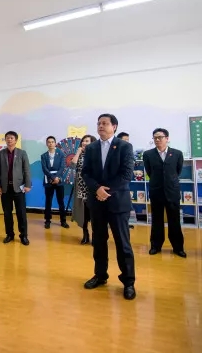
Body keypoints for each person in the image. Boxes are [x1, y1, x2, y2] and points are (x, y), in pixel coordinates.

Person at [81, 114, 136, 300]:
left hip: (117, 202)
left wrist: (106, 191)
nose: (101, 126)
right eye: (99, 123)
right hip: (97, 202)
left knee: (122, 243)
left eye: (105, 123)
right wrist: (97, 189)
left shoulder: (125, 147)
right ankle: (100, 275)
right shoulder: (91, 148)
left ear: (114, 126)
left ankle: (128, 282)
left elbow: (126, 174)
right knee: (98, 241)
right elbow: (86, 173)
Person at [143, 128, 186, 258]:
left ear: (167, 138)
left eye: (160, 137)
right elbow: (149, 172)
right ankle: (155, 246)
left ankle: (178, 247)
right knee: (156, 219)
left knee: (174, 220)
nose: (157, 140)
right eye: (155, 137)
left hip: (172, 191)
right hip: (156, 191)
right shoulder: (148, 154)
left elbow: (177, 171)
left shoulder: (177, 153)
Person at [0, 131, 32, 245]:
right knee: (7, 213)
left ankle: (23, 235)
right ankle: (9, 234)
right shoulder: (0, 154)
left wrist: (28, 184)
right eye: (7, 138)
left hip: (19, 188)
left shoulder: (22, 153)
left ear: (15, 140)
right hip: (5, 189)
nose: (9, 140)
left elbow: (26, 170)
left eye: (11, 138)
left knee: (21, 213)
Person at [71, 134, 97, 244]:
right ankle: (85, 235)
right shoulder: (80, 155)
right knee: (84, 214)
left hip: (92, 189)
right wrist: (78, 153)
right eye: (83, 141)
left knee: (94, 215)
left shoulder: (96, 154)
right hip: (81, 189)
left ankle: (95, 237)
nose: (84, 143)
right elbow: (72, 165)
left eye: (87, 141)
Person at [41, 135, 68, 229]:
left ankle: (63, 221)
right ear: (46, 144)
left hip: (59, 181)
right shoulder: (43, 156)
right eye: (49, 142)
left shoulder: (61, 154)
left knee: (61, 201)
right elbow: (44, 169)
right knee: (48, 201)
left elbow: (62, 167)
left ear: (55, 143)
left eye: (52, 142)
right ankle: (47, 221)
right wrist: (53, 178)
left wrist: (57, 178)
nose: (51, 143)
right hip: (48, 181)